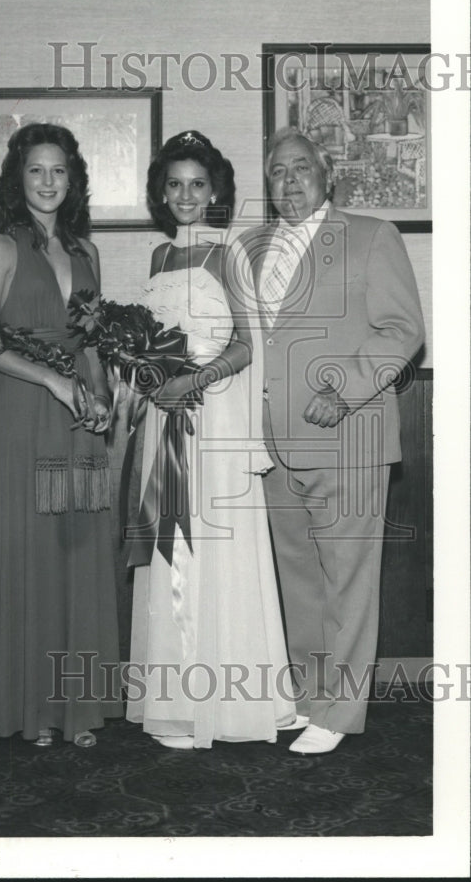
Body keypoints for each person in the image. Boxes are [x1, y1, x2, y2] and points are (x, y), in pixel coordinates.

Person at [241, 128, 425, 755]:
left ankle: (341, 712)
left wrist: (344, 388)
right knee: (299, 576)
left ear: (327, 177)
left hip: (347, 434)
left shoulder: (372, 236)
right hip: (273, 443)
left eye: (300, 169)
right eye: (275, 172)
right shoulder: (250, 247)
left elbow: (403, 331)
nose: (288, 181)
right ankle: (309, 696)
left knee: (348, 576)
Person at [125, 130, 296, 749]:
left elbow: (250, 345)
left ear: (216, 190)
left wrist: (195, 380)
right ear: (161, 192)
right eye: (174, 183)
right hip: (163, 418)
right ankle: (176, 702)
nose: (186, 194)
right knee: (173, 547)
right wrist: (149, 378)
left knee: (215, 546)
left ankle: (232, 703)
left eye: (198, 183)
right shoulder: (157, 259)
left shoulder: (230, 254)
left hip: (212, 414)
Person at [0, 123, 122, 748]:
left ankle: (78, 709)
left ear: (73, 179)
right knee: (30, 551)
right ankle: (33, 708)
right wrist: (53, 383)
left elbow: (91, 345)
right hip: (23, 418)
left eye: (59, 170)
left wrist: (103, 396)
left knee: (77, 549)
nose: (49, 181)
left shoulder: (87, 252)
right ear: (17, 179)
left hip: (79, 420)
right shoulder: (0, 249)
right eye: (37, 170)